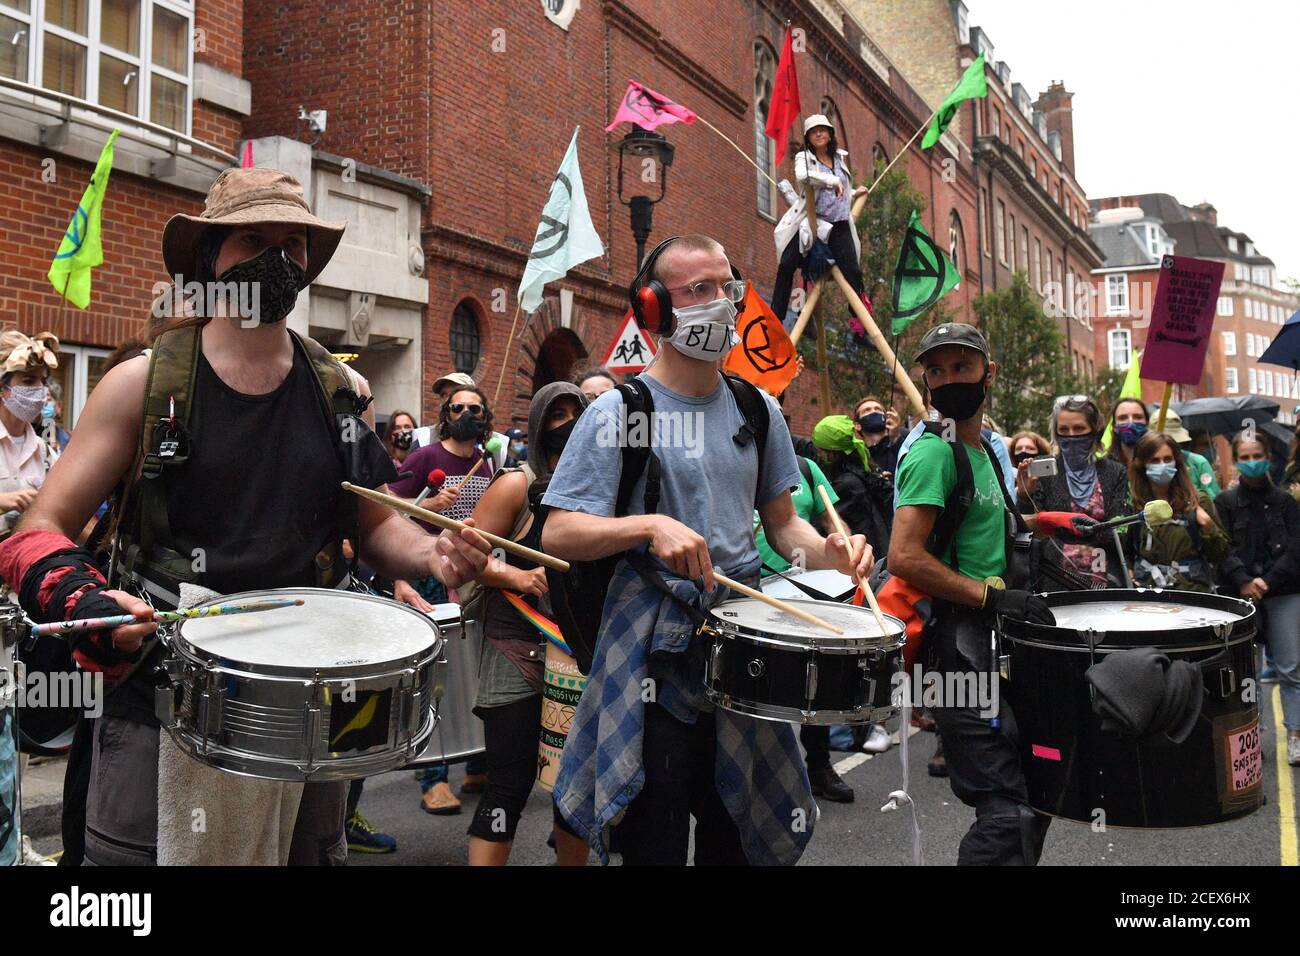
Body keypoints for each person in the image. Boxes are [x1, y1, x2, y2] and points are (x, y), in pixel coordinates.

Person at [0, 168, 491, 866]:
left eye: (291, 243)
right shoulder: (143, 384)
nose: (275, 259)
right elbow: (36, 528)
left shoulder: (339, 393)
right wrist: (85, 602)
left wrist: (434, 556)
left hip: (306, 712)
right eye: (251, 240)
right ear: (209, 261)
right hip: (159, 699)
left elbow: (372, 526)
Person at [542, 234, 873, 865]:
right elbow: (558, 532)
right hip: (653, 659)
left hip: (746, 650)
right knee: (653, 842)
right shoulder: (619, 410)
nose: (720, 303)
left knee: (737, 840)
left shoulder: (758, 407)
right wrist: (647, 528)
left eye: (728, 287)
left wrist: (832, 551)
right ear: (654, 309)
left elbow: (783, 529)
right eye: (699, 290)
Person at [888, 322, 1096, 865]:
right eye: (937, 370)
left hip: (1000, 645)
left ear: (988, 374)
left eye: (962, 367)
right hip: (955, 654)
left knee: (1036, 799)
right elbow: (904, 556)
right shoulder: (934, 454)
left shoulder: (984, 451)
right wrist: (992, 598)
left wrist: (1045, 520)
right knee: (1007, 813)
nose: (949, 379)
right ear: (926, 382)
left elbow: (985, 528)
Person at [462, 382, 590, 864]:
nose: (568, 425)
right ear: (538, 425)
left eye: (577, 414)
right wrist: (514, 573)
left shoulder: (597, 485)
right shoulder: (516, 482)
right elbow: (462, 555)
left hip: (573, 651)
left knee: (572, 787)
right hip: (514, 648)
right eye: (556, 415)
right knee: (508, 785)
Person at [390, 386, 498, 813]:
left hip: (475, 576)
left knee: (474, 670)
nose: (467, 414)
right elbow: (387, 513)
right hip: (429, 576)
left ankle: (475, 762)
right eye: (459, 408)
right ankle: (432, 776)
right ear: (445, 414)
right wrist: (431, 503)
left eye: (475, 407)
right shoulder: (425, 459)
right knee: (437, 675)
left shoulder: (487, 462)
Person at [753, 436, 868, 800]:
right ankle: (763, 776)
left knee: (811, 675)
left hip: (804, 585)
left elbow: (831, 524)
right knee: (756, 680)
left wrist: (842, 552)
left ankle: (819, 765)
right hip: (748, 590)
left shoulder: (805, 469)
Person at [0, 329, 61, 867]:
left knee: (11, 719)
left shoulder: (45, 445)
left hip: (19, 601)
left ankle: (11, 840)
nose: (36, 391)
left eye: (41, 382)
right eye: (25, 381)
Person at [1216, 434, 1300, 766]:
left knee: (1291, 667)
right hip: (1240, 596)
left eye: (1258, 454)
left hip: (1283, 592)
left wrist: (1267, 581)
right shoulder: (1224, 502)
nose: (1253, 461)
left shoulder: (1286, 501)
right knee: (1247, 669)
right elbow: (1222, 548)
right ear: (1236, 460)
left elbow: (1296, 548)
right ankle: (1253, 736)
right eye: (1246, 455)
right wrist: (1244, 580)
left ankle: (1295, 734)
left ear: (1268, 456)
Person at [1016, 397, 1129, 588]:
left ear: (1094, 431)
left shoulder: (1115, 472)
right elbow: (1030, 529)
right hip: (1054, 582)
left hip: (1107, 584)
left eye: (1079, 429)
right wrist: (1024, 495)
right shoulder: (1044, 472)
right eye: (1064, 430)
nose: (1071, 436)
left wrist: (1065, 529)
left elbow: (1122, 532)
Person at [769, 114, 867, 323]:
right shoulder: (804, 158)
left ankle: (860, 326)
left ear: (830, 134)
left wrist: (853, 193)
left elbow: (838, 195)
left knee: (853, 274)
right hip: (813, 224)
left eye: (822, 130)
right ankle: (776, 318)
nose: (819, 134)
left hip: (839, 226)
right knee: (787, 264)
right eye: (814, 132)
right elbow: (804, 176)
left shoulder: (839, 159)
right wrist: (832, 181)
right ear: (808, 138)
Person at [1125, 431, 1229, 592]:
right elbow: (1126, 552)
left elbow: (1221, 555)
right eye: (1154, 460)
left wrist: (1208, 528)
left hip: (1191, 595)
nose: (1162, 465)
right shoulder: (1134, 504)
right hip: (1148, 597)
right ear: (1142, 464)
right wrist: (1131, 576)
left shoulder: (1198, 502)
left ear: (1177, 462)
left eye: (1167, 459)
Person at [812, 414, 893, 557]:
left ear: (830, 455)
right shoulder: (861, 470)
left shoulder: (845, 485)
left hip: (866, 559)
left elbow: (832, 526)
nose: (817, 455)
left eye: (819, 450)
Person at [854, 396, 904, 476]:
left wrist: (896, 438)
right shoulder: (859, 459)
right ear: (857, 426)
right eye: (867, 410)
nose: (874, 412)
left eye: (878, 409)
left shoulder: (904, 441)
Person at [1105, 398, 1149, 469]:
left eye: (1137, 417)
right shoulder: (1103, 467)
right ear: (1114, 427)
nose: (1130, 422)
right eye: (1123, 418)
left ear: (1147, 423)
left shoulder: (1157, 461)